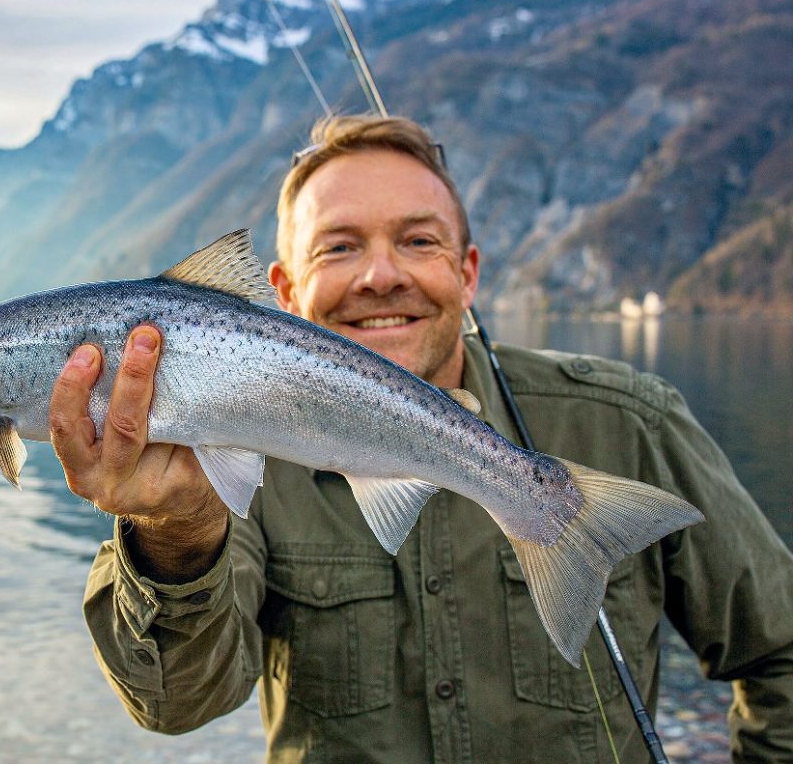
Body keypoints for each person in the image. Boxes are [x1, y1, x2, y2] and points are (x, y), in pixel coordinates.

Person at [46, 115, 793, 763]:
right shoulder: (222, 456)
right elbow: (178, 703)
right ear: (284, 294)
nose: (380, 274)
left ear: (466, 275)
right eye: (338, 247)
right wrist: (176, 530)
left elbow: (782, 651)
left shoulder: (629, 421)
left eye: (418, 240)